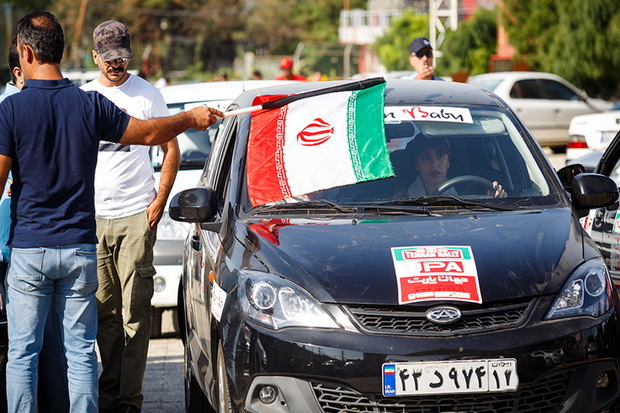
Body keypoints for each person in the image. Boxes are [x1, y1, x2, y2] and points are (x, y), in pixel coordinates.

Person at [0, 11, 222, 413]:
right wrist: (192, 117)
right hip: (82, 244)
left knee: (23, 353)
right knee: (82, 350)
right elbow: (152, 133)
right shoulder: (89, 105)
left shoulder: (10, 111)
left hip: (30, 248)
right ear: (68, 52)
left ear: (27, 52)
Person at [80, 19, 181, 413]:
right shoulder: (85, 98)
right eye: (108, 59)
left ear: (130, 55)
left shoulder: (147, 95)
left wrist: (159, 200)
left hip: (136, 217)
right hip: (94, 219)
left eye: (121, 57)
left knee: (136, 316)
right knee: (104, 315)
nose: (115, 65)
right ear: (94, 57)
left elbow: (171, 149)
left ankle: (130, 401)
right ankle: (110, 397)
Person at [0, 35, 71, 413]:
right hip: (67, 242)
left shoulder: (11, 108)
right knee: (62, 345)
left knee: (25, 348)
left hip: (22, 244)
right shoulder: (72, 102)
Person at [407, 135, 506, 198]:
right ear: (417, 166)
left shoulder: (471, 192)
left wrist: (496, 200)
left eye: (440, 155)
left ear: (448, 162)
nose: (434, 163)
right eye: (426, 157)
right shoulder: (401, 201)